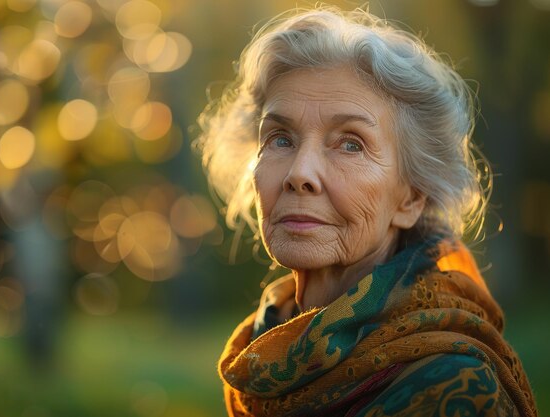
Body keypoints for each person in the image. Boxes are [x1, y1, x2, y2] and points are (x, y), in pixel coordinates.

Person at [196, 6, 538, 417]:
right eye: (280, 138)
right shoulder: (265, 343)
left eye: (351, 143)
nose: (299, 173)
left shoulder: (453, 386)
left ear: (411, 197)